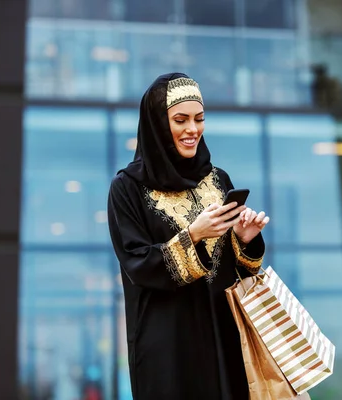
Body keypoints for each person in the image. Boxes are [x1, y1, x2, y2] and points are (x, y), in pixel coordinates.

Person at [107, 72, 270, 400]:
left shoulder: (217, 179)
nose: (192, 130)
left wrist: (244, 238)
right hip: (168, 345)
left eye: (199, 119)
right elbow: (137, 263)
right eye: (180, 120)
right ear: (157, 124)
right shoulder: (127, 189)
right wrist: (192, 235)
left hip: (224, 336)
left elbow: (240, 269)